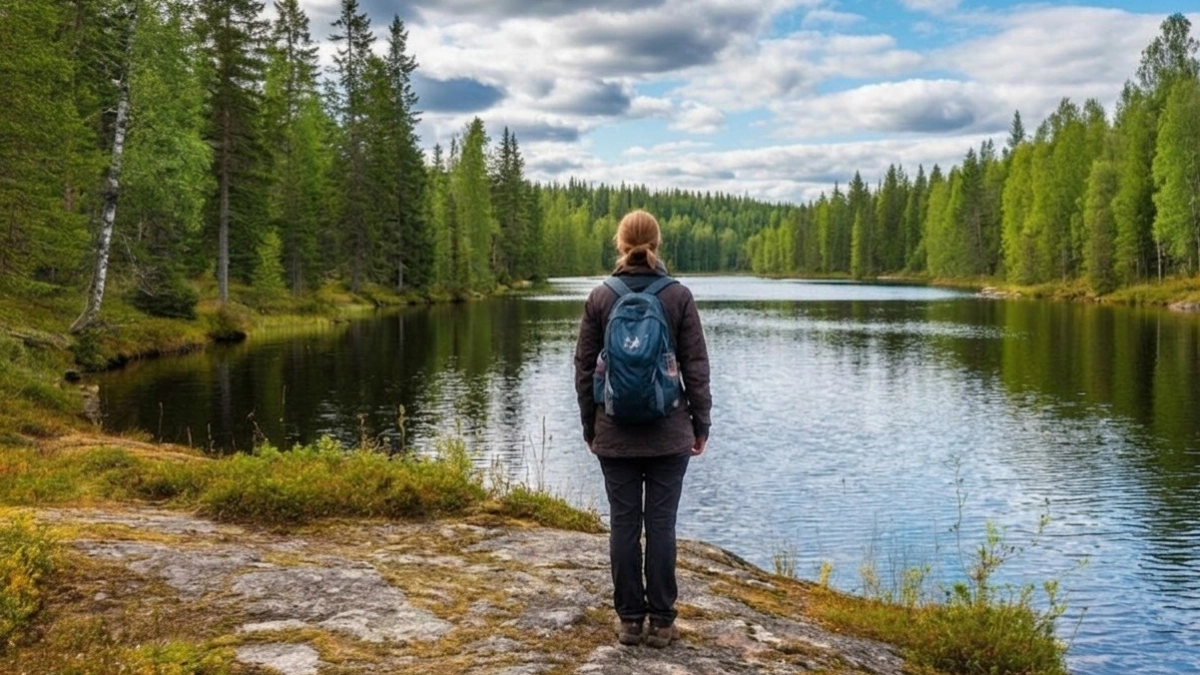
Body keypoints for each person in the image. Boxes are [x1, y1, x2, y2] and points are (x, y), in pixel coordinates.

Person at [573, 209, 711, 648]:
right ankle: (663, 622)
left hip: (613, 432)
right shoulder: (678, 296)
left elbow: (583, 368)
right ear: (658, 242)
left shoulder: (600, 296)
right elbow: (696, 368)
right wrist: (700, 423)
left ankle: (630, 621)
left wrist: (590, 426)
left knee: (624, 524)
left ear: (620, 243)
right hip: (670, 432)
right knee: (662, 525)